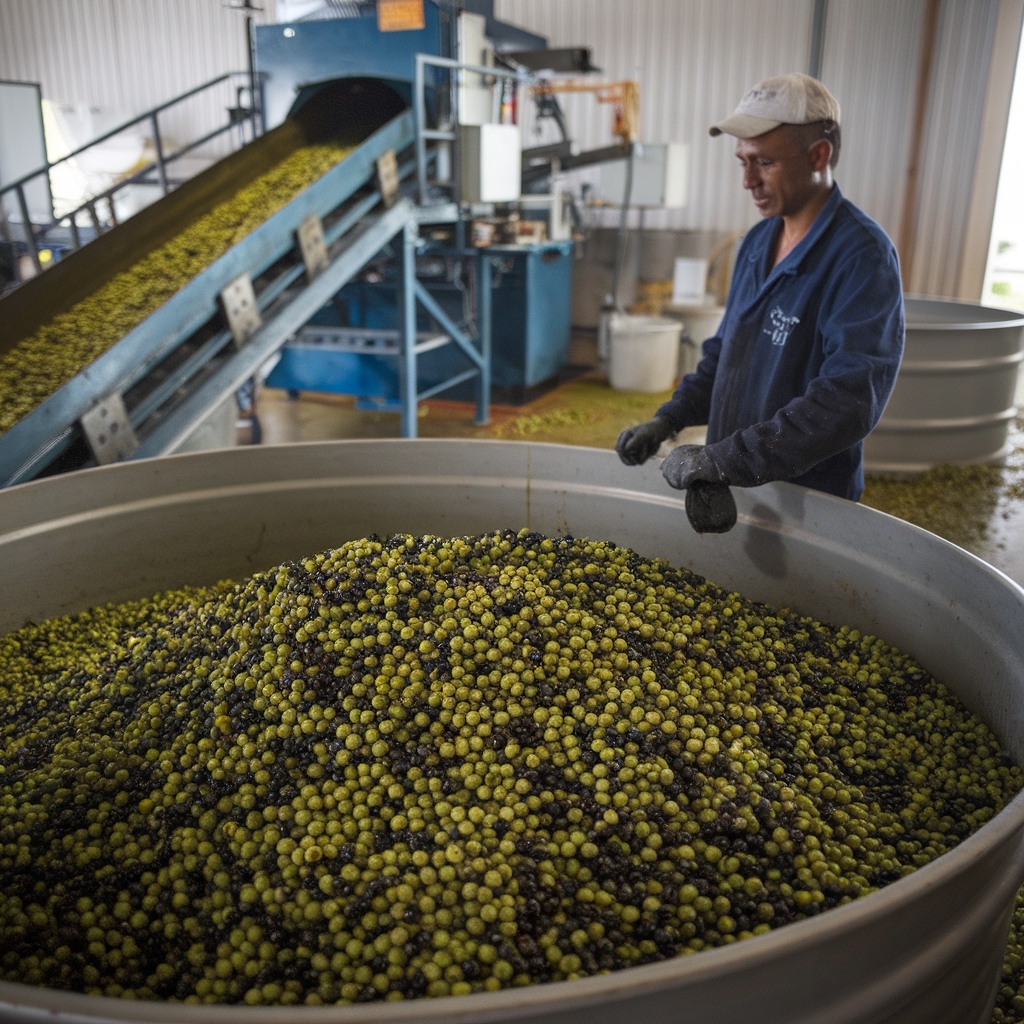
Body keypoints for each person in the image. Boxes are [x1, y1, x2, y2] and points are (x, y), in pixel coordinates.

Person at [616, 73, 904, 511]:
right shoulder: (756, 244)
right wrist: (669, 419)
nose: (748, 180)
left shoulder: (861, 258)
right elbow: (723, 355)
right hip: (731, 483)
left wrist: (726, 459)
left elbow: (848, 401)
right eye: (742, 162)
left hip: (807, 498)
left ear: (819, 155)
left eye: (764, 162)